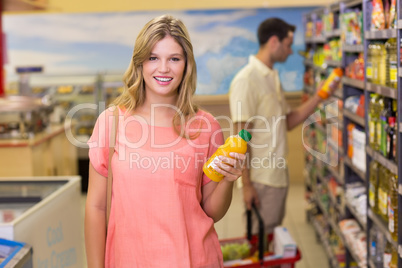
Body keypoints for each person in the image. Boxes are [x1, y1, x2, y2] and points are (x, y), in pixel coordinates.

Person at [85, 15, 246, 267]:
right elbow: (96, 207)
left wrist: (229, 178)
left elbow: (211, 211)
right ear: (140, 63)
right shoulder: (111, 123)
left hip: (192, 259)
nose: (163, 68)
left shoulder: (206, 127)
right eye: (153, 58)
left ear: (186, 64)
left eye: (174, 58)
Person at [229, 17, 339, 235]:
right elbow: (240, 136)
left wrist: (319, 97)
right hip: (261, 180)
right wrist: (247, 185)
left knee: (271, 241)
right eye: (288, 45)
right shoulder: (247, 79)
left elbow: (287, 122)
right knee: (259, 244)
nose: (290, 52)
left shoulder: (272, 77)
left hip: (277, 175)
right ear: (273, 42)